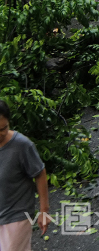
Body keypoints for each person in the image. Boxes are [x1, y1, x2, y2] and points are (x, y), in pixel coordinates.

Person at [0, 100, 49, 250]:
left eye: (3, 128)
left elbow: (40, 174)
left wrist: (44, 211)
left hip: (16, 215)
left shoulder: (22, 146)